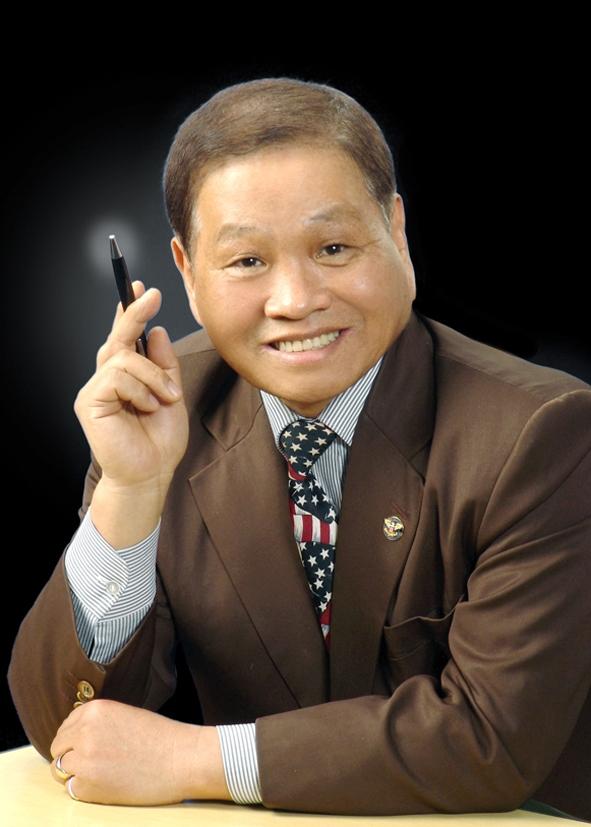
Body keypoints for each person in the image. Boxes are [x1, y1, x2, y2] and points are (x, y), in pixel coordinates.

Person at [7, 76, 591, 821]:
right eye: (247, 261)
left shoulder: (541, 432)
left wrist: (195, 758)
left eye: (333, 247)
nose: (295, 300)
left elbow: (489, 739)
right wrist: (130, 493)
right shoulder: (161, 410)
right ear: (187, 273)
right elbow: (70, 731)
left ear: (397, 233)